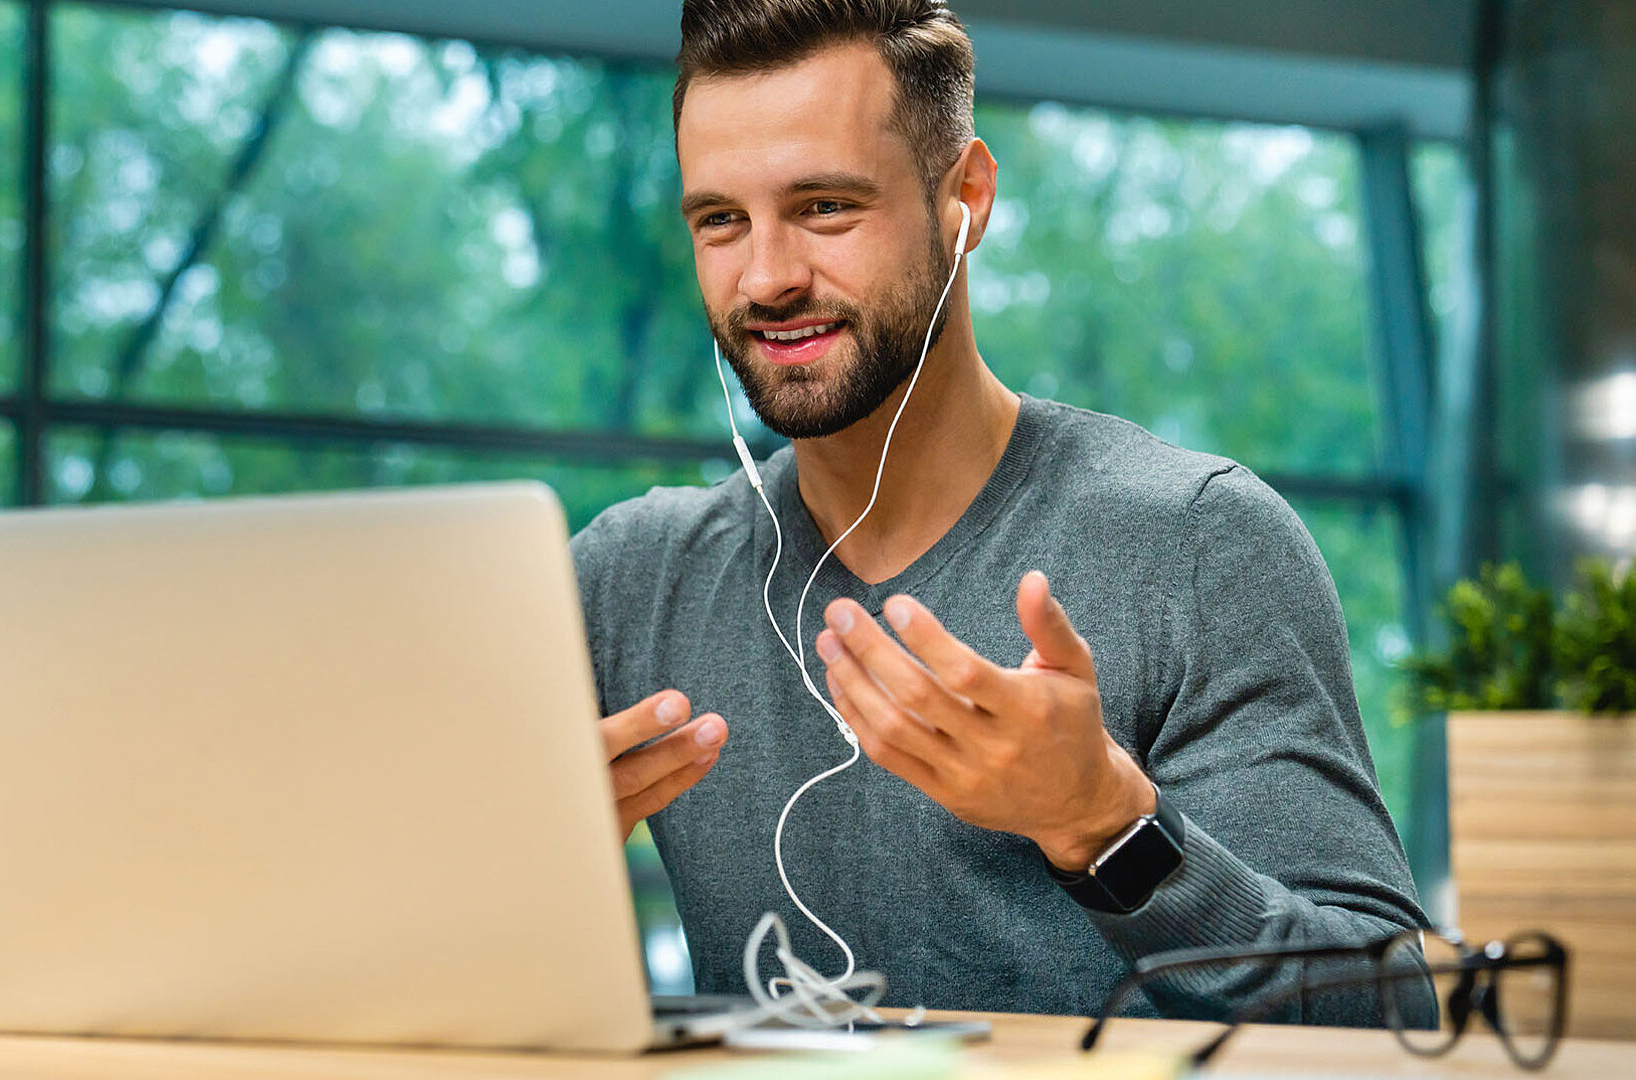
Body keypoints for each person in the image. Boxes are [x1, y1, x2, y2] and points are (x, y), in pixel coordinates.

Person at [570, 0, 1429, 1024]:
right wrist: (494, 862)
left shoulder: (1200, 544)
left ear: (965, 199)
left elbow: (1387, 1015)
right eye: (721, 221)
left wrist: (1102, 821)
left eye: (827, 207)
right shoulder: (629, 579)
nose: (767, 277)